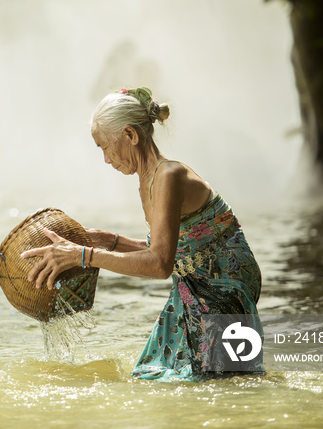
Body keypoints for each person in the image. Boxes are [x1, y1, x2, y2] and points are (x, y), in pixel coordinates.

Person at [21, 87, 264, 381]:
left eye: (104, 146)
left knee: (222, 385)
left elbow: (160, 264)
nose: (106, 159)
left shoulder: (168, 176)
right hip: (193, 281)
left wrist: (84, 256)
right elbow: (168, 249)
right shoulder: (146, 181)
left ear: (130, 135)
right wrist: (109, 240)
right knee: (153, 376)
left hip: (224, 282)